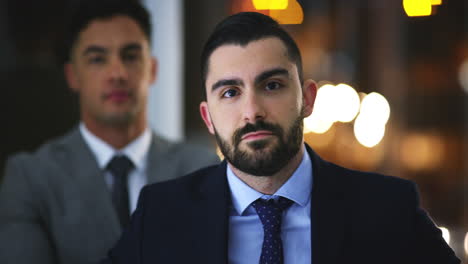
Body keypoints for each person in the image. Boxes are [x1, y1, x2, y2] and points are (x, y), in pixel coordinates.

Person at [102, 12, 460, 264]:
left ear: (308, 98)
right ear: (208, 117)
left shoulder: (388, 209)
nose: (252, 110)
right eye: (230, 92)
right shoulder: (162, 215)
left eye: (271, 85)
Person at [0, 1, 218, 264]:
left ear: (152, 69)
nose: (117, 73)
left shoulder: (201, 168)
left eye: (130, 56)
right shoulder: (31, 178)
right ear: (72, 75)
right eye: (97, 59)